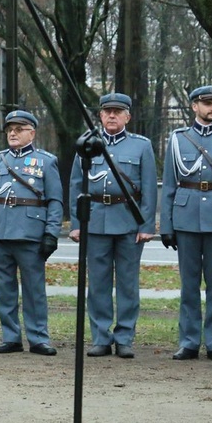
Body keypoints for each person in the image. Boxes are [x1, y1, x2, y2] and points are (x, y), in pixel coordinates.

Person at [160, 85, 212, 363]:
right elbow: (170, 184)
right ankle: (188, 341)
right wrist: (167, 226)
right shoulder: (178, 139)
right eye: (207, 103)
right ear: (194, 106)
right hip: (185, 218)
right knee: (188, 285)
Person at [68, 93, 157, 359]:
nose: (111, 115)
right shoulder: (87, 144)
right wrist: (76, 223)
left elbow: (150, 189)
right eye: (107, 111)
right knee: (97, 284)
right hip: (95, 220)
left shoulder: (141, 146)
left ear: (127, 116)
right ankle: (100, 337)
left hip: (129, 221)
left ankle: (125, 337)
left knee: (128, 284)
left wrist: (147, 224)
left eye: (118, 111)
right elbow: (76, 184)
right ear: (100, 115)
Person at [0, 110, 62, 356]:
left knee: (34, 289)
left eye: (19, 129)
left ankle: (38, 338)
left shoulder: (46, 161)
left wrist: (51, 233)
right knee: (4, 288)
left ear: (32, 133)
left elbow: (55, 201)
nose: (12, 134)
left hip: (30, 233)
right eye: (9, 130)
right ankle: (11, 336)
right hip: (0, 232)